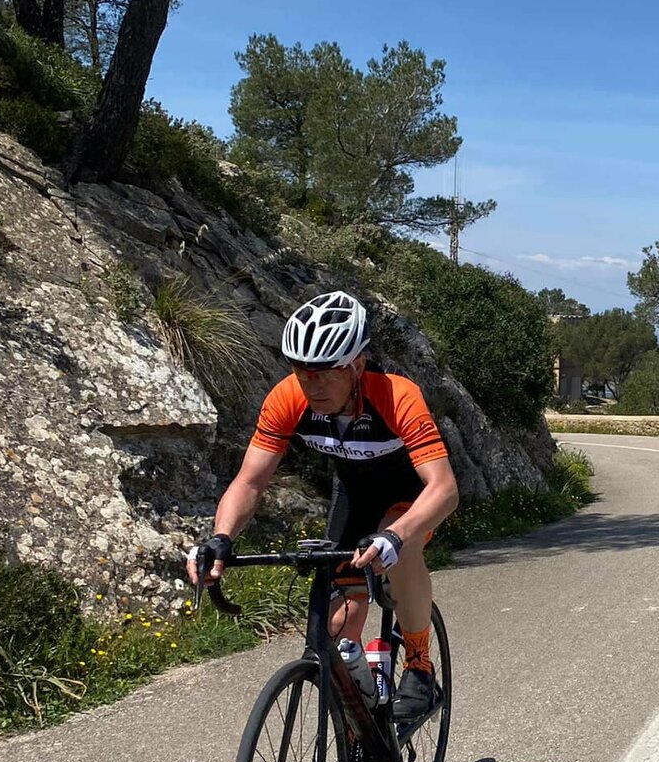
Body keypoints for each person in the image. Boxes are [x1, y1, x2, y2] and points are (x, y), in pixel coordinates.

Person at [186, 291, 459, 724]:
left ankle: (419, 666)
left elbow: (444, 489)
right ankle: (359, 729)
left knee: (402, 553)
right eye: (302, 372)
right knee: (335, 630)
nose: (312, 385)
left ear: (357, 365)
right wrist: (221, 537)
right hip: (353, 494)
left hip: (409, 499)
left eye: (326, 373)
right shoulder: (287, 398)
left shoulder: (396, 395)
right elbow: (250, 481)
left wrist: (395, 536)